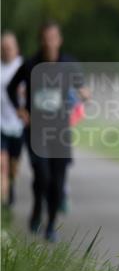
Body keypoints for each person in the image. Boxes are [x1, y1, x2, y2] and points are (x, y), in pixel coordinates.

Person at [6, 21, 87, 242]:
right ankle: (36, 210)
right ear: (41, 40)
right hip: (36, 132)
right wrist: (21, 110)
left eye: (54, 37)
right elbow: (11, 88)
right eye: (46, 37)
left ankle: (50, 225)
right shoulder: (31, 64)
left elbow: (82, 88)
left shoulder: (69, 63)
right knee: (42, 177)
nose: (50, 42)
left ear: (59, 39)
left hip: (60, 131)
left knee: (57, 182)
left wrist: (84, 95)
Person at [1, 31, 25, 208]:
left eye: (9, 47)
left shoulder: (23, 67)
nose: (6, 51)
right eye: (3, 48)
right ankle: (4, 204)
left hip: (18, 123)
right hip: (0, 121)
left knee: (13, 164)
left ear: (16, 49)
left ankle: (11, 185)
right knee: (2, 163)